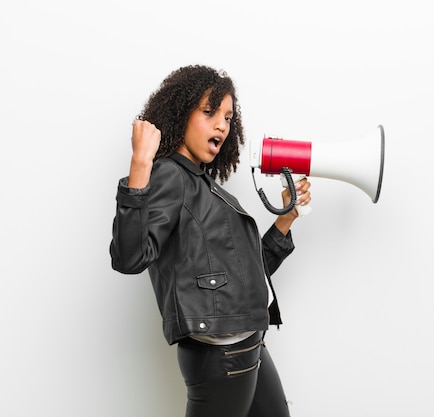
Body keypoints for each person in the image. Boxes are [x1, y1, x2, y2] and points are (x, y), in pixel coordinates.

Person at [109, 64, 311, 417]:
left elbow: (246, 277)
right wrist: (140, 164)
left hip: (249, 343)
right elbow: (130, 258)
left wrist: (286, 218)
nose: (221, 124)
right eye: (209, 112)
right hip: (222, 355)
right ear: (180, 115)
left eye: (228, 117)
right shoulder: (170, 175)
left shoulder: (203, 186)